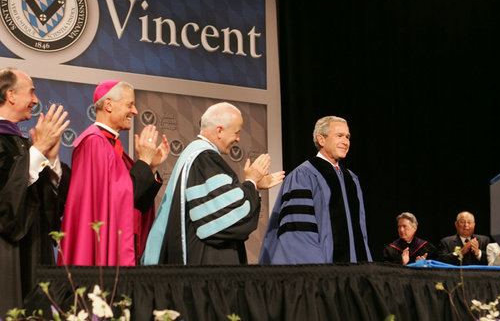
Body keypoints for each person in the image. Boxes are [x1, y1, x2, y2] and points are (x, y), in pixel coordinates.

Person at [142, 102, 284, 265]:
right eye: (236, 132)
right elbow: (222, 222)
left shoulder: (195, 156)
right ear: (219, 131)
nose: (238, 139)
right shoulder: (204, 159)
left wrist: (255, 186)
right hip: (206, 265)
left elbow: (216, 207)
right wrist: (251, 182)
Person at [59, 80, 169, 266]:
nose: (135, 112)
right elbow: (122, 197)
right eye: (130, 104)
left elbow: (136, 202)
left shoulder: (111, 146)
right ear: (108, 105)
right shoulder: (94, 143)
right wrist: (142, 161)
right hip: (101, 249)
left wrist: (150, 167)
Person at [0, 67, 71, 315]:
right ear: (10, 95)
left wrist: (51, 159)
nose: (35, 100)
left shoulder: (26, 144)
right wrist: (38, 149)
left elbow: (49, 204)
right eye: (31, 92)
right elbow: (6, 202)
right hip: (7, 254)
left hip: (36, 249)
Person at [259, 116, 372, 264]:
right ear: (321, 140)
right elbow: (298, 231)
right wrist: (316, 270)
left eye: (347, 137)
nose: (346, 142)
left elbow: (360, 234)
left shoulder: (351, 179)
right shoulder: (303, 176)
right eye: (339, 136)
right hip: (321, 271)